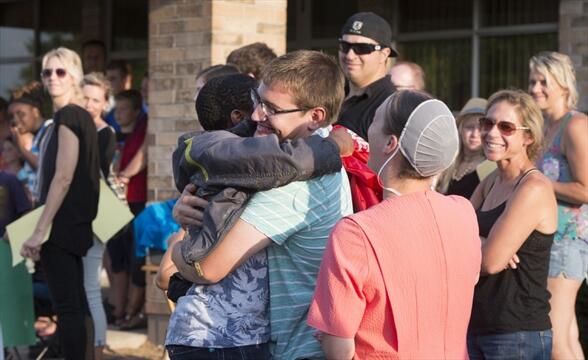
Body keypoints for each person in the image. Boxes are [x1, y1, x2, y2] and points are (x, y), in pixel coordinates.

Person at [170, 50, 352, 359]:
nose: (256, 114)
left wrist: (176, 251)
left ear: (315, 116)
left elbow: (209, 266)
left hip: (298, 350)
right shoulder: (314, 150)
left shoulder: (294, 183)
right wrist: (185, 210)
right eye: (258, 100)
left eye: (271, 108)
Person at [307, 90, 481, 359]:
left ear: (391, 143)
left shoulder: (356, 232)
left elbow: (337, 347)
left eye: (374, 120)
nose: (365, 131)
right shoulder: (462, 212)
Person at [20, 47, 100, 360]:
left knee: (68, 308)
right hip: (74, 224)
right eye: (47, 72)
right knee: (76, 304)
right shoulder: (80, 117)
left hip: (62, 226)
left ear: (75, 76)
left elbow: (64, 177)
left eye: (60, 71)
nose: (53, 78)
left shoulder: (69, 115)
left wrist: (39, 231)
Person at [467, 89, 557, 359]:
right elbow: (453, 232)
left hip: (516, 334)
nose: (492, 133)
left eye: (506, 127)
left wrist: (484, 248)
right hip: (478, 324)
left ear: (528, 136)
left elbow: (489, 263)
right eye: (487, 123)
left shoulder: (533, 188)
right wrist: (482, 242)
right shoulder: (491, 181)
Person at [530, 51, 588, 360]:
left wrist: (539, 186)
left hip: (567, 243)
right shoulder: (547, 127)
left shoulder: (575, 125)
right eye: (532, 81)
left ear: (563, 86)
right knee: (567, 337)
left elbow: (586, 189)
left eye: (544, 82)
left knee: (553, 339)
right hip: (551, 241)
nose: (535, 88)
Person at [105, 89, 148, 329]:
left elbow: (144, 155)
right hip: (115, 202)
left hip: (136, 200)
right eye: (116, 110)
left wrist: (125, 175)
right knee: (116, 258)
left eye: (123, 109)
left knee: (135, 258)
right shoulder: (113, 135)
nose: (118, 114)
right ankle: (117, 309)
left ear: (135, 111)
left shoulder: (143, 129)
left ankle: (133, 311)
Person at [81, 72, 116, 360]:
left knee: (91, 287)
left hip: (96, 216)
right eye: (85, 98)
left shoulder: (105, 133)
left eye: (96, 99)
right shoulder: (71, 126)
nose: (90, 104)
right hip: (76, 218)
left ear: (105, 103)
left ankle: (99, 347)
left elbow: (98, 177)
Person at [336, 12, 397, 141]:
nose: (350, 56)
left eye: (362, 48)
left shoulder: (391, 107)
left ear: (384, 54)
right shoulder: (329, 93)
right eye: (345, 46)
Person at [438, 98, 492, 198]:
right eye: (469, 127)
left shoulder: (490, 167)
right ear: (460, 129)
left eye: (480, 128)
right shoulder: (448, 162)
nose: (474, 134)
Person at [7, 82, 52, 202]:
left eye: (21, 114)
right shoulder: (37, 136)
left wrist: (21, 148)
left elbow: (44, 168)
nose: (15, 120)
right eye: (12, 116)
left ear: (36, 112)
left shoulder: (50, 130)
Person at [104, 59, 132, 132]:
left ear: (125, 80)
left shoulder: (138, 106)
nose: (108, 83)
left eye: (113, 79)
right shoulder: (107, 111)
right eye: (107, 79)